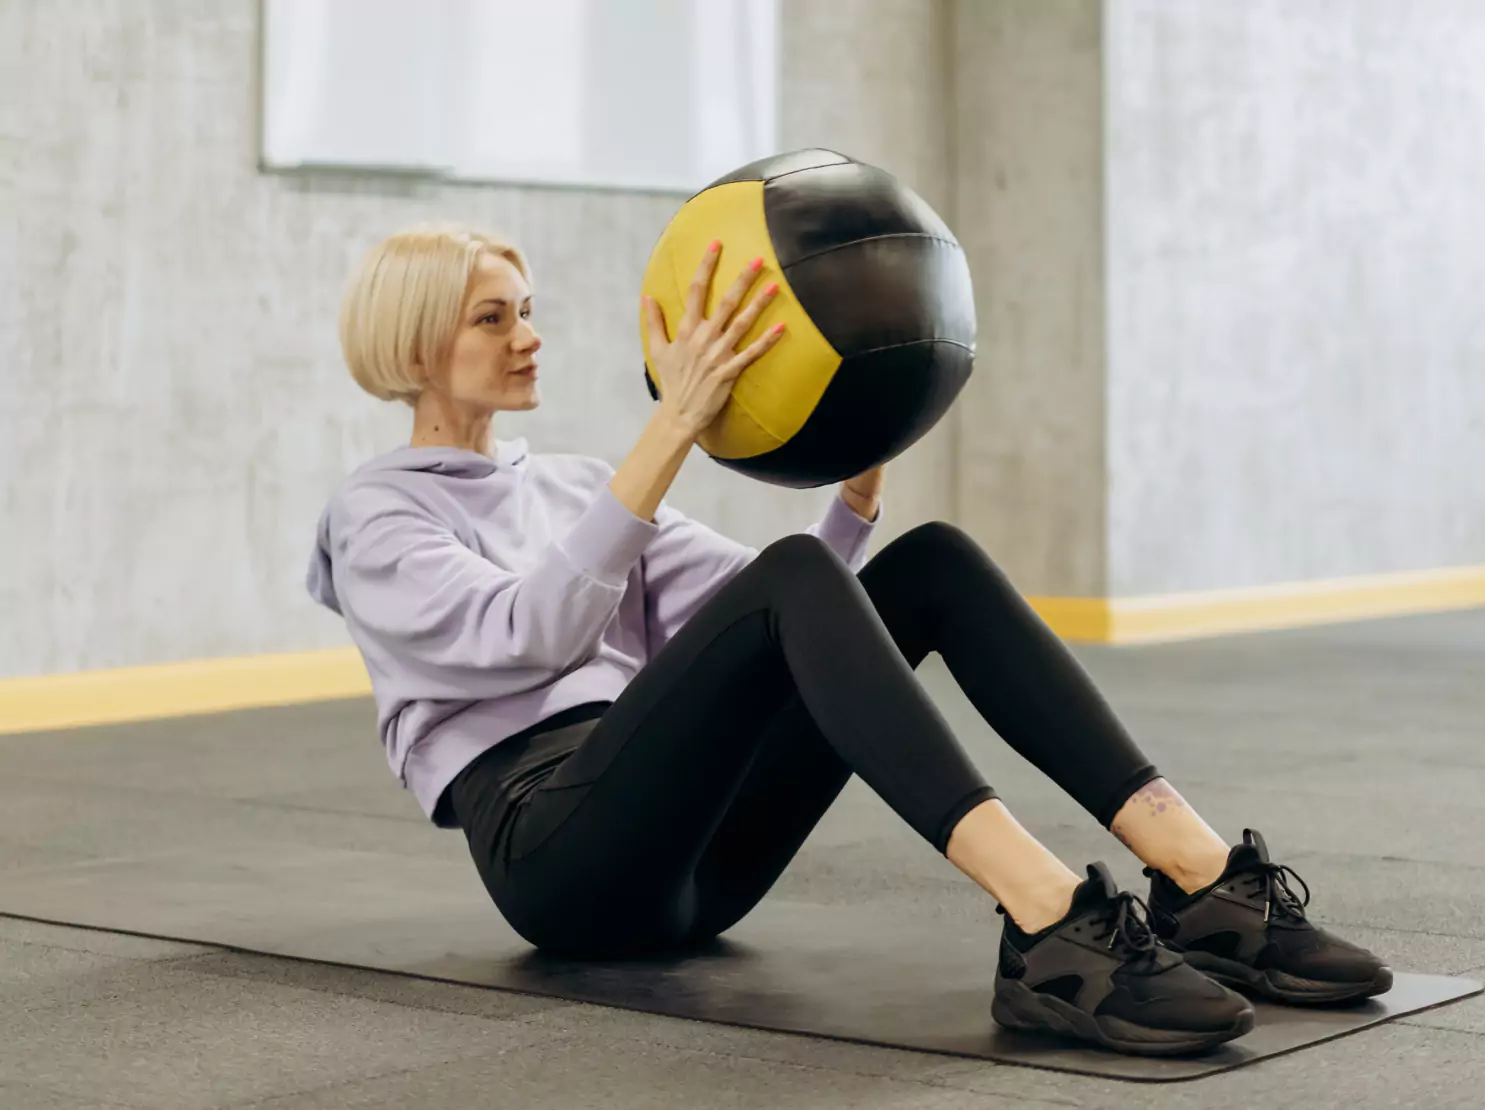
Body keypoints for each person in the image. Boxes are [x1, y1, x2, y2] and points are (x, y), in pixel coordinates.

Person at [307, 224, 1391, 1057]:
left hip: (703, 866)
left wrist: (857, 484)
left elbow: (780, 605)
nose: (529, 336)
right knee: (795, 576)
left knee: (932, 563)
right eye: (492, 319)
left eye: (527, 310)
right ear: (414, 343)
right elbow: (528, 633)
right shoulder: (379, 518)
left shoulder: (577, 485)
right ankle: (1049, 919)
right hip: (562, 853)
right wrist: (671, 428)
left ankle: (1203, 885)